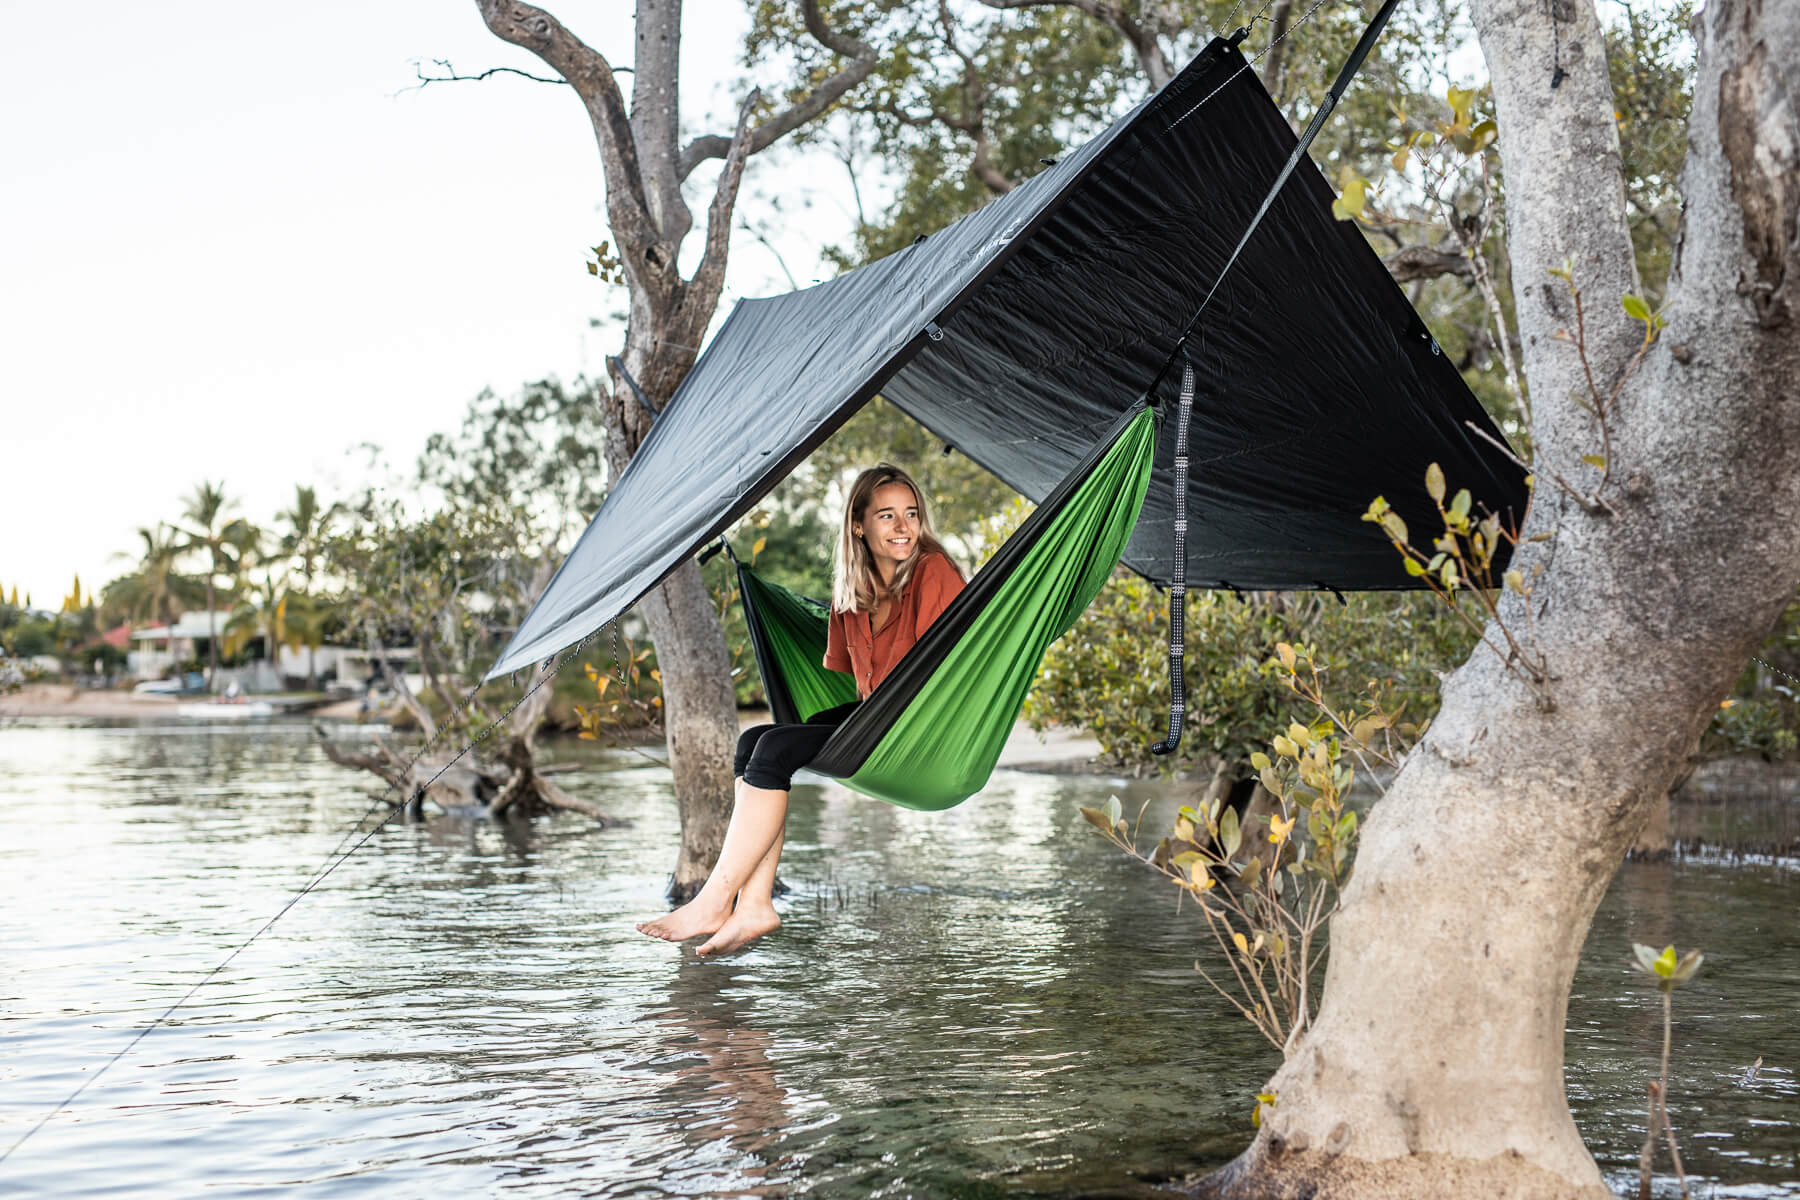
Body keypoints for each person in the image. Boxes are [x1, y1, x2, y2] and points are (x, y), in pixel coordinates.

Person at [637, 464, 965, 955]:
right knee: (756, 742)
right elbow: (852, 675)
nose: (904, 527)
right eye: (887, 516)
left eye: (912, 515)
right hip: (875, 716)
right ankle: (755, 904)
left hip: (918, 723)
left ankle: (717, 900)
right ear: (859, 525)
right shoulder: (850, 590)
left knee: (776, 749)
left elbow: (949, 659)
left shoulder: (932, 571)